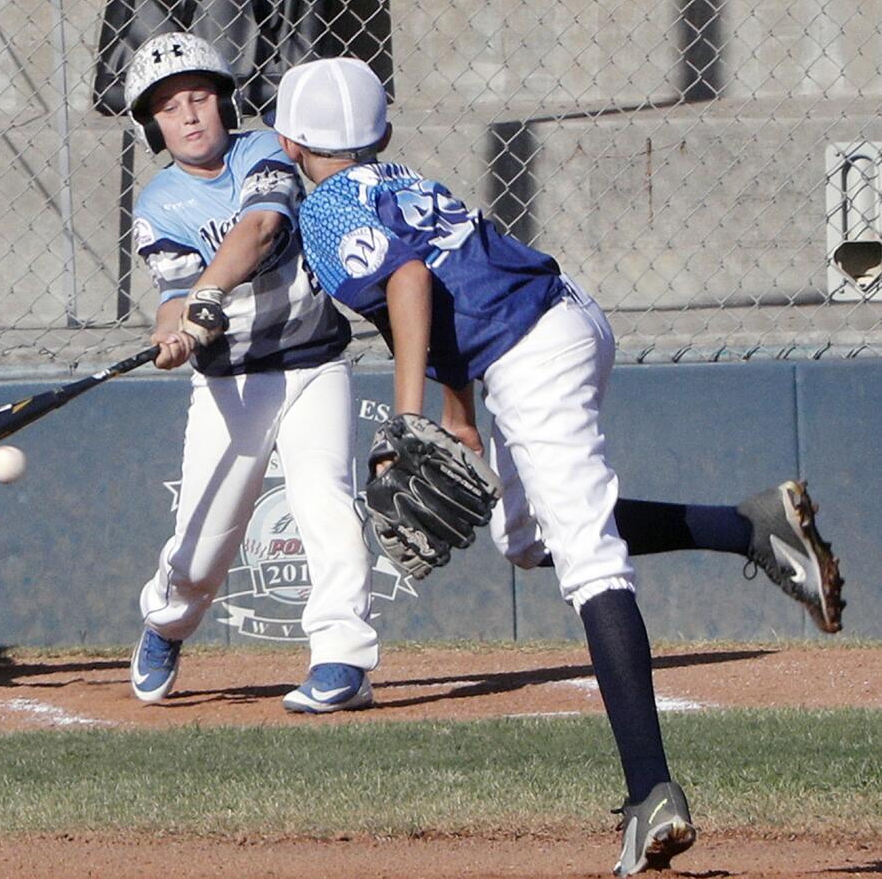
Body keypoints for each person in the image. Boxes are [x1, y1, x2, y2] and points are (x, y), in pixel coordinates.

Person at [273, 57, 842, 874]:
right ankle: (748, 528)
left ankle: (650, 790)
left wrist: (405, 419)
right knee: (528, 537)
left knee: (585, 558)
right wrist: (458, 416)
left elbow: (405, 281)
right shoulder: (396, 176)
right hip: (559, 318)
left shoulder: (325, 210)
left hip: (530, 348)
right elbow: (439, 287)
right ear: (382, 134)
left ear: (291, 138)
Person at [124, 32, 378, 714]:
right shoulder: (157, 206)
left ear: (224, 102)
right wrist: (170, 333)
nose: (189, 115)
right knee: (203, 543)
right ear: (152, 124)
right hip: (229, 381)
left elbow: (262, 227)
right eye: (170, 107)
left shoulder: (263, 150)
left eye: (199, 97)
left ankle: (341, 658)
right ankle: (167, 621)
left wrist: (207, 296)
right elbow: (173, 294)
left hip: (310, 361)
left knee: (325, 501)